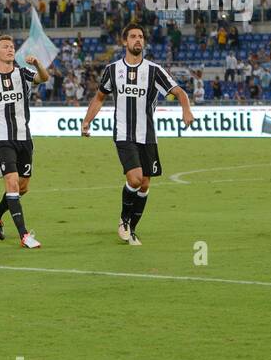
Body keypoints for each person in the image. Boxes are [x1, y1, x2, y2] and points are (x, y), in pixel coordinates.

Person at [80, 23, 194, 245]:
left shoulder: (154, 70)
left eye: (141, 36)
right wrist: (87, 121)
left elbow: (178, 91)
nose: (138, 40)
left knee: (145, 185)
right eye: (133, 36)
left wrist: (186, 109)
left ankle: (132, 228)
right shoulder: (113, 70)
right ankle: (124, 220)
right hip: (124, 133)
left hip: (148, 135)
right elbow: (100, 97)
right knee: (135, 178)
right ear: (125, 42)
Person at [0, 36, 48, 248]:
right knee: (12, 183)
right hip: (3, 139)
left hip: (25, 138)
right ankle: (24, 235)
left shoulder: (23, 73)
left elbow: (45, 78)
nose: (10, 50)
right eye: (5, 47)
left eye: (12, 47)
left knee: (22, 188)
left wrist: (38, 64)